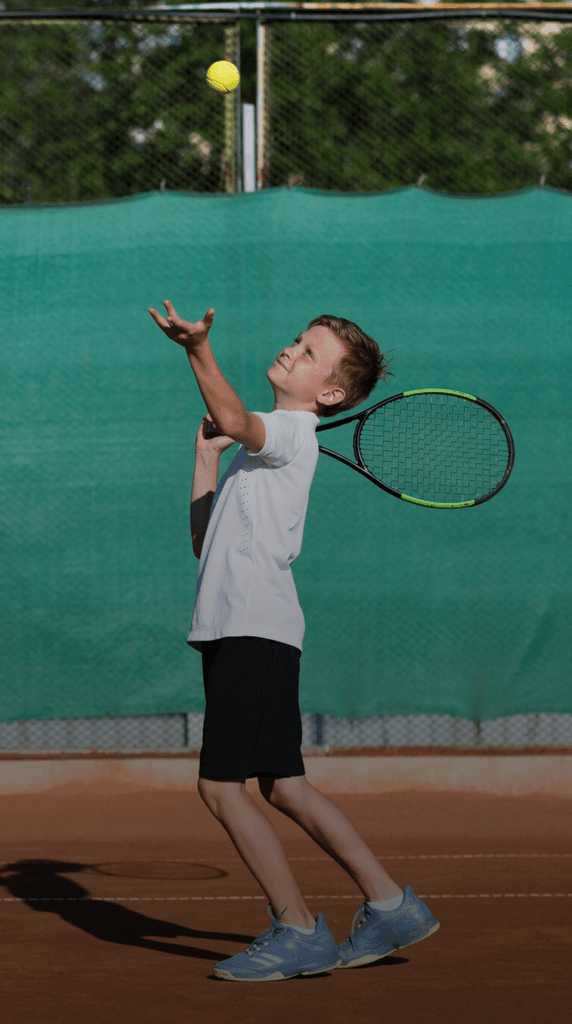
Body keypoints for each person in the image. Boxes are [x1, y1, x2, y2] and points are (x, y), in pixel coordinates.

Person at [147, 300, 439, 981]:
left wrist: (196, 349)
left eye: (311, 354)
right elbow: (204, 539)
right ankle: (392, 905)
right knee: (285, 786)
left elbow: (236, 418)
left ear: (330, 394)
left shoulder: (289, 431)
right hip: (252, 629)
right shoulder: (268, 445)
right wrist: (204, 458)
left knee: (222, 789)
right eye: (297, 341)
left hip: (251, 630)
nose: (292, 352)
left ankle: (300, 929)